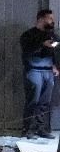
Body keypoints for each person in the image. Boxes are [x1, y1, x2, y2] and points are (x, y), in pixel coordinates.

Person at [21, 9, 59, 139]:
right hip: (34, 70)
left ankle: (41, 128)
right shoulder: (28, 35)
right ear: (41, 19)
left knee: (44, 102)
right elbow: (27, 50)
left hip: (48, 72)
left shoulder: (53, 36)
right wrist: (42, 45)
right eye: (50, 18)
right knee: (33, 100)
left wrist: (55, 66)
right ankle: (28, 129)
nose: (53, 21)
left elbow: (56, 53)